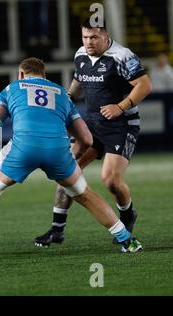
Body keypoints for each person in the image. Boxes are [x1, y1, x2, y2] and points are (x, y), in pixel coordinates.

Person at [0, 58, 142, 263]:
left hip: (23, 148)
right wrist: (72, 158)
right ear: (45, 76)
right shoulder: (61, 93)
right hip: (58, 149)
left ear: (21, 74)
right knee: (84, 194)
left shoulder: (11, 89)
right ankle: (127, 241)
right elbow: (86, 138)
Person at [34, 20, 152, 247]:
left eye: (94, 38)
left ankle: (127, 215)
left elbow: (145, 85)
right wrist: (66, 98)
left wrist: (121, 106)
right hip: (92, 126)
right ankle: (56, 231)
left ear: (106, 35)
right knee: (66, 171)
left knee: (111, 181)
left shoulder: (122, 55)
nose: (88, 42)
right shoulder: (81, 53)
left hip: (122, 126)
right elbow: (80, 79)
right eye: (85, 37)